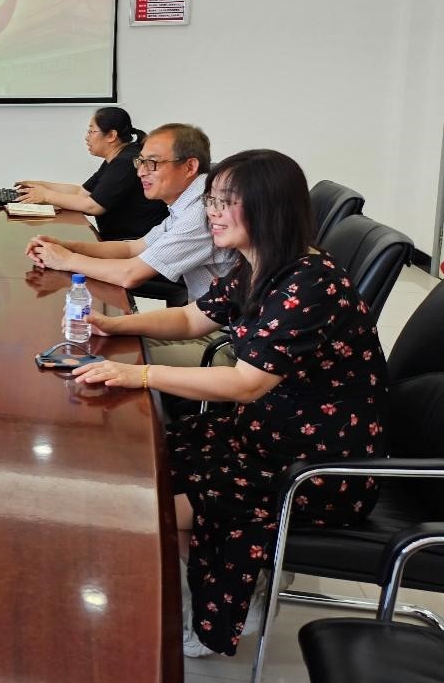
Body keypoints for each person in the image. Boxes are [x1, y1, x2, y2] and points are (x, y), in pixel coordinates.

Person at [71, 150, 386, 659]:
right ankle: (208, 586)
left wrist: (139, 373)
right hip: (264, 435)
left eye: (226, 202)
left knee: (152, 502)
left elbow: (245, 384)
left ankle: (226, 601)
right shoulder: (262, 263)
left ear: (268, 208)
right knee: (149, 459)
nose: (212, 213)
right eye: (211, 201)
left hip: (317, 467)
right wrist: (115, 324)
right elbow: (193, 318)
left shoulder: (309, 283)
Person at [27, 123, 237, 366]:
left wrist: (66, 260)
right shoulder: (187, 203)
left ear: (190, 166)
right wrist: (67, 246)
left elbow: (130, 275)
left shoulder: (203, 209)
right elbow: (132, 248)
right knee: (94, 345)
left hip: (223, 342)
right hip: (201, 321)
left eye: (152, 163)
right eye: (141, 162)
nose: (140, 173)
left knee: (100, 358)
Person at [13, 106, 166, 240]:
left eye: (92, 131)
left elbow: (93, 206)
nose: (87, 137)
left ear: (111, 135)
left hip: (133, 242)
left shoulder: (125, 161)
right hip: (123, 239)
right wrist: (40, 185)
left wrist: (46, 195)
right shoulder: (117, 157)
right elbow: (81, 192)